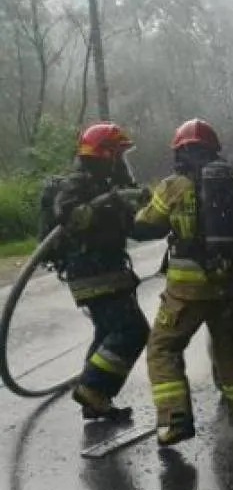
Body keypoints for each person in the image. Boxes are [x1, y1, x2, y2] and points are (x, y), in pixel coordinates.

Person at [129, 118, 233, 448]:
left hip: (187, 291)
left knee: (163, 348)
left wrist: (136, 208)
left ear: (180, 152)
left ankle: (175, 420)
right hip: (230, 286)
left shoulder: (174, 186)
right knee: (230, 350)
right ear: (214, 150)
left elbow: (145, 227)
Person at [39, 122, 151, 422]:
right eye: (119, 154)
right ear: (106, 154)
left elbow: (134, 229)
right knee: (132, 330)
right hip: (91, 271)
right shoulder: (78, 184)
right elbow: (71, 220)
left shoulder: (105, 184)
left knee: (107, 332)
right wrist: (108, 202)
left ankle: (96, 400)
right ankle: (92, 388)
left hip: (107, 269)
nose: (122, 162)